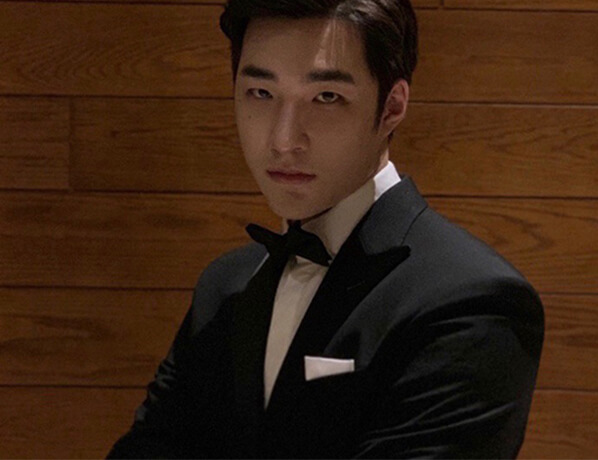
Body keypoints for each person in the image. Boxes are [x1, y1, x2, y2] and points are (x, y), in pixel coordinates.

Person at [107, 0, 544, 458]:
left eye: (326, 97)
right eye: (260, 92)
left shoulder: (473, 299)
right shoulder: (224, 287)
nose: (283, 140)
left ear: (392, 106)